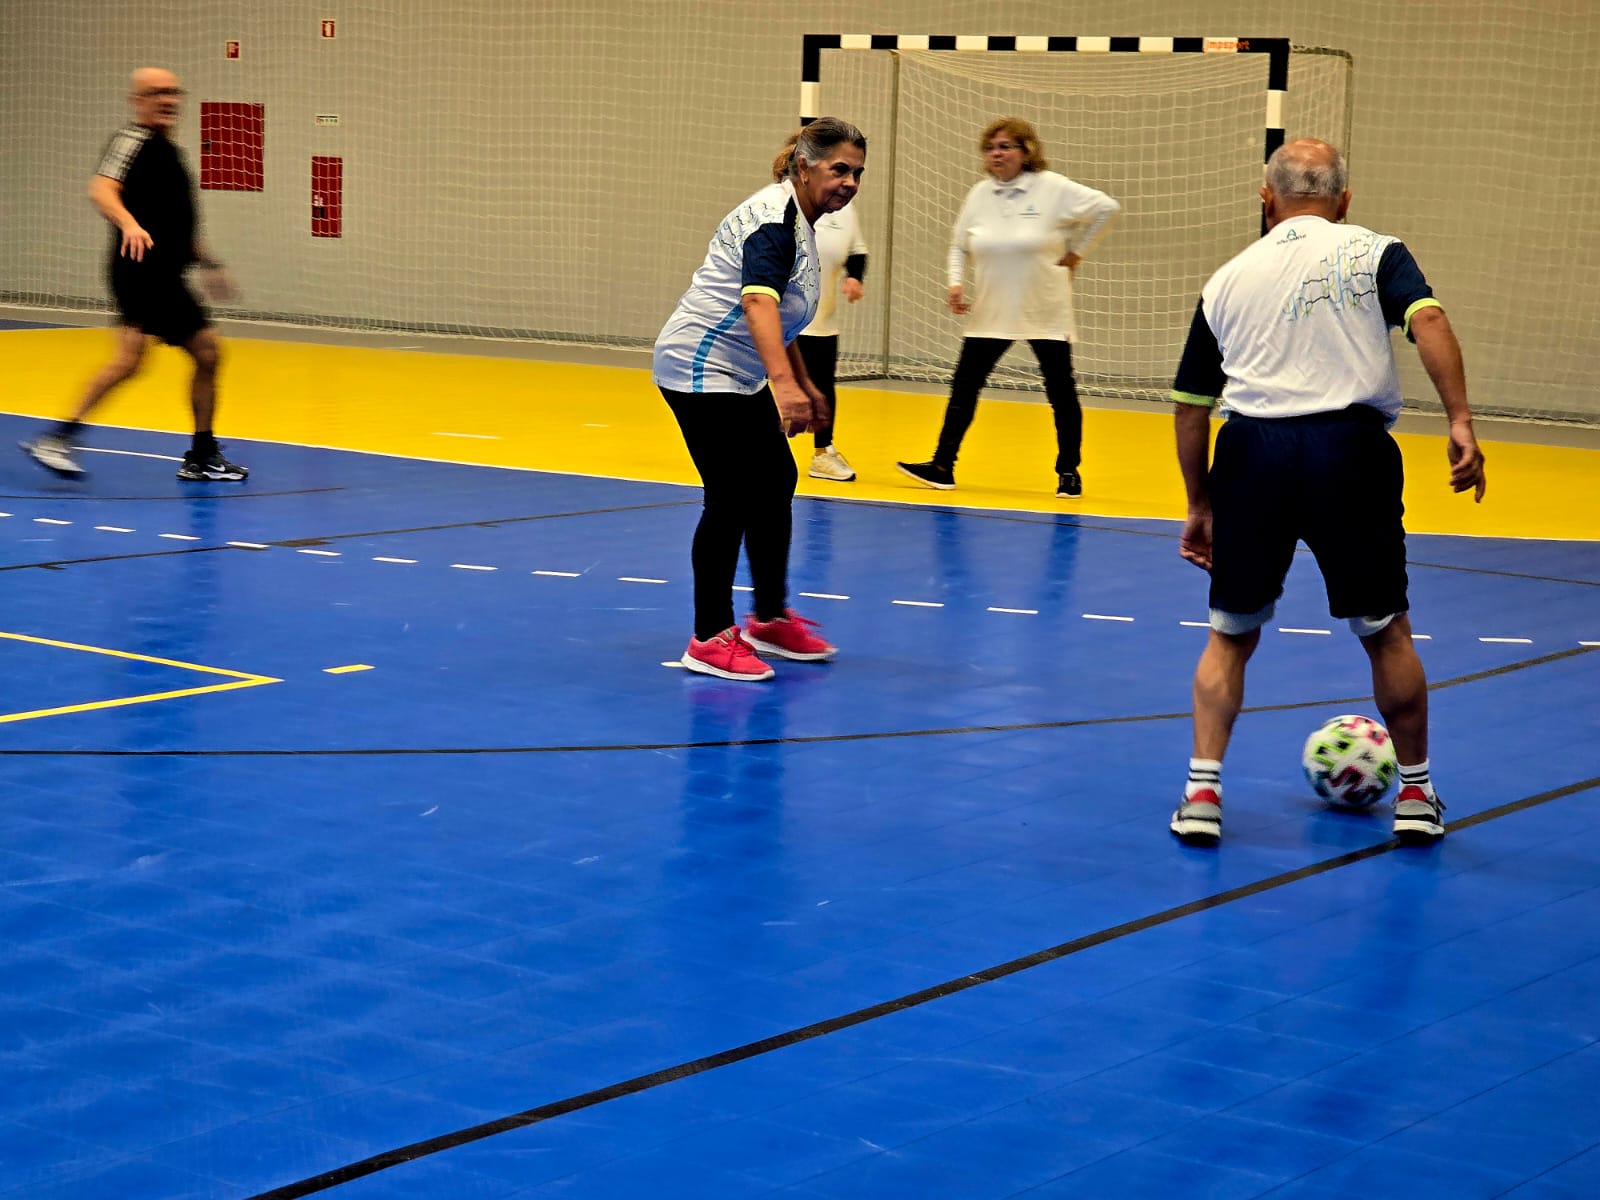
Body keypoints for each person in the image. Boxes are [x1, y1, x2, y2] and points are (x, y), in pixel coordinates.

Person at [1167, 138, 1487, 847]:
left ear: (1265, 197)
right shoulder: (1376, 252)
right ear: (1344, 200)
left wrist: (1199, 503)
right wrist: (1460, 420)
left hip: (1253, 452)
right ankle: (1414, 794)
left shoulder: (1227, 278)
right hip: (1350, 451)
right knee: (1386, 629)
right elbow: (1428, 320)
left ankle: (1202, 795)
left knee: (1230, 633)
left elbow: (1191, 405)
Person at [653, 118, 867, 681]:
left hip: (736, 370)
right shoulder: (773, 220)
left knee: (774, 479)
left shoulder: (801, 220)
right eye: (838, 168)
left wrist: (804, 382)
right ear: (804, 165)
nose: (848, 181)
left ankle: (768, 617)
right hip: (700, 367)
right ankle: (708, 636)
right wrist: (786, 386)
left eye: (857, 173)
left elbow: (786, 315)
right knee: (732, 494)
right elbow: (757, 306)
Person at [21, 67, 247, 482]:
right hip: (141, 271)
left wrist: (208, 262)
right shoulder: (131, 141)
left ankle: (199, 454)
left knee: (188, 355)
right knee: (158, 356)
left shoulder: (169, 151)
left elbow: (178, 224)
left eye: (172, 92)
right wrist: (128, 223)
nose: (167, 99)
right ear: (137, 101)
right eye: (156, 92)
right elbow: (102, 188)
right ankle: (59, 438)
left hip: (166, 274)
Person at [898, 117, 1119, 499]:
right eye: (990, 148)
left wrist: (1078, 252)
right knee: (964, 387)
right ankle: (941, 465)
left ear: (1026, 151)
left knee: (1060, 391)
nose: (996, 154)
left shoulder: (1052, 188)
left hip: (1044, 310)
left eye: (1005, 147)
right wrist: (955, 282)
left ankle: (1068, 472)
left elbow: (1107, 209)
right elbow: (959, 245)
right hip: (991, 310)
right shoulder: (980, 194)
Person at [772, 133, 869, 484]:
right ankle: (760, 450)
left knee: (822, 388)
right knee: (772, 385)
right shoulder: (779, 211)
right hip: (782, 321)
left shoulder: (843, 208)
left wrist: (854, 278)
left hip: (822, 319)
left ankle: (822, 453)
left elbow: (857, 252)